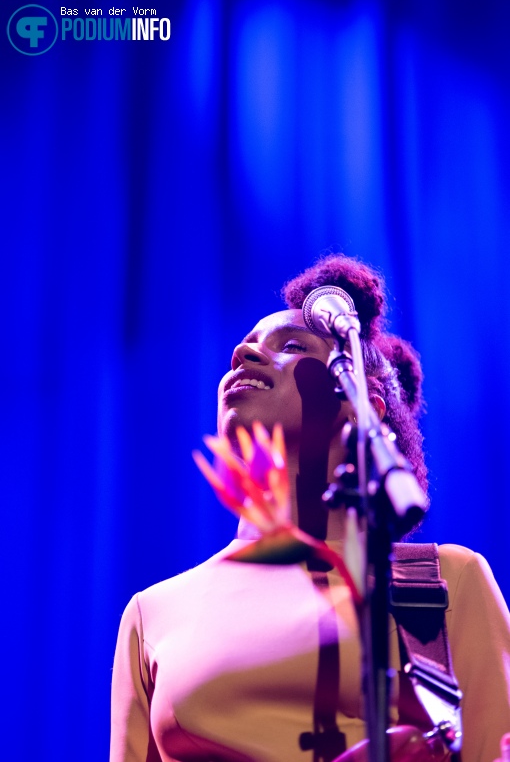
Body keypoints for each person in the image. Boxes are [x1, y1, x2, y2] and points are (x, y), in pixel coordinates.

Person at [110, 255, 510, 762]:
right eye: (245, 347)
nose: (242, 354)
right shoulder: (153, 613)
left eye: (291, 346)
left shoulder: (443, 584)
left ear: (359, 402)